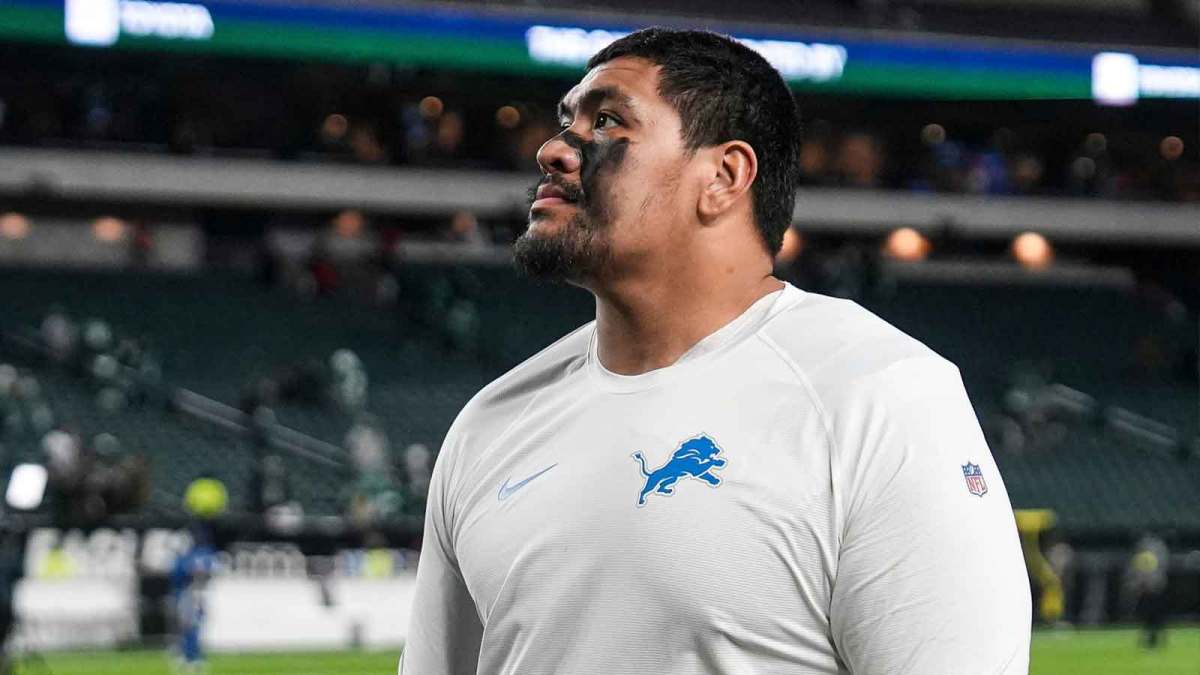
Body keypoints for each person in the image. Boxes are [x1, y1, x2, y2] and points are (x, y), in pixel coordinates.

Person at [403, 28, 1030, 674]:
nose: (553, 150)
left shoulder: (880, 396)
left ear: (724, 177)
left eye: (608, 121)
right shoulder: (490, 425)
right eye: (566, 122)